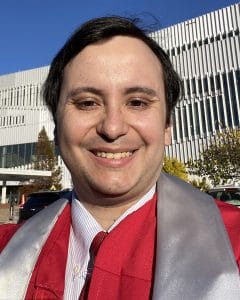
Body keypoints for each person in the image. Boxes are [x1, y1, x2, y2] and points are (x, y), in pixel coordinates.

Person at [0, 16, 240, 300]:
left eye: (137, 102)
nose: (112, 128)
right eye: (87, 103)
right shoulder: (7, 250)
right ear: (56, 129)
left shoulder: (232, 248)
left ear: (167, 127)